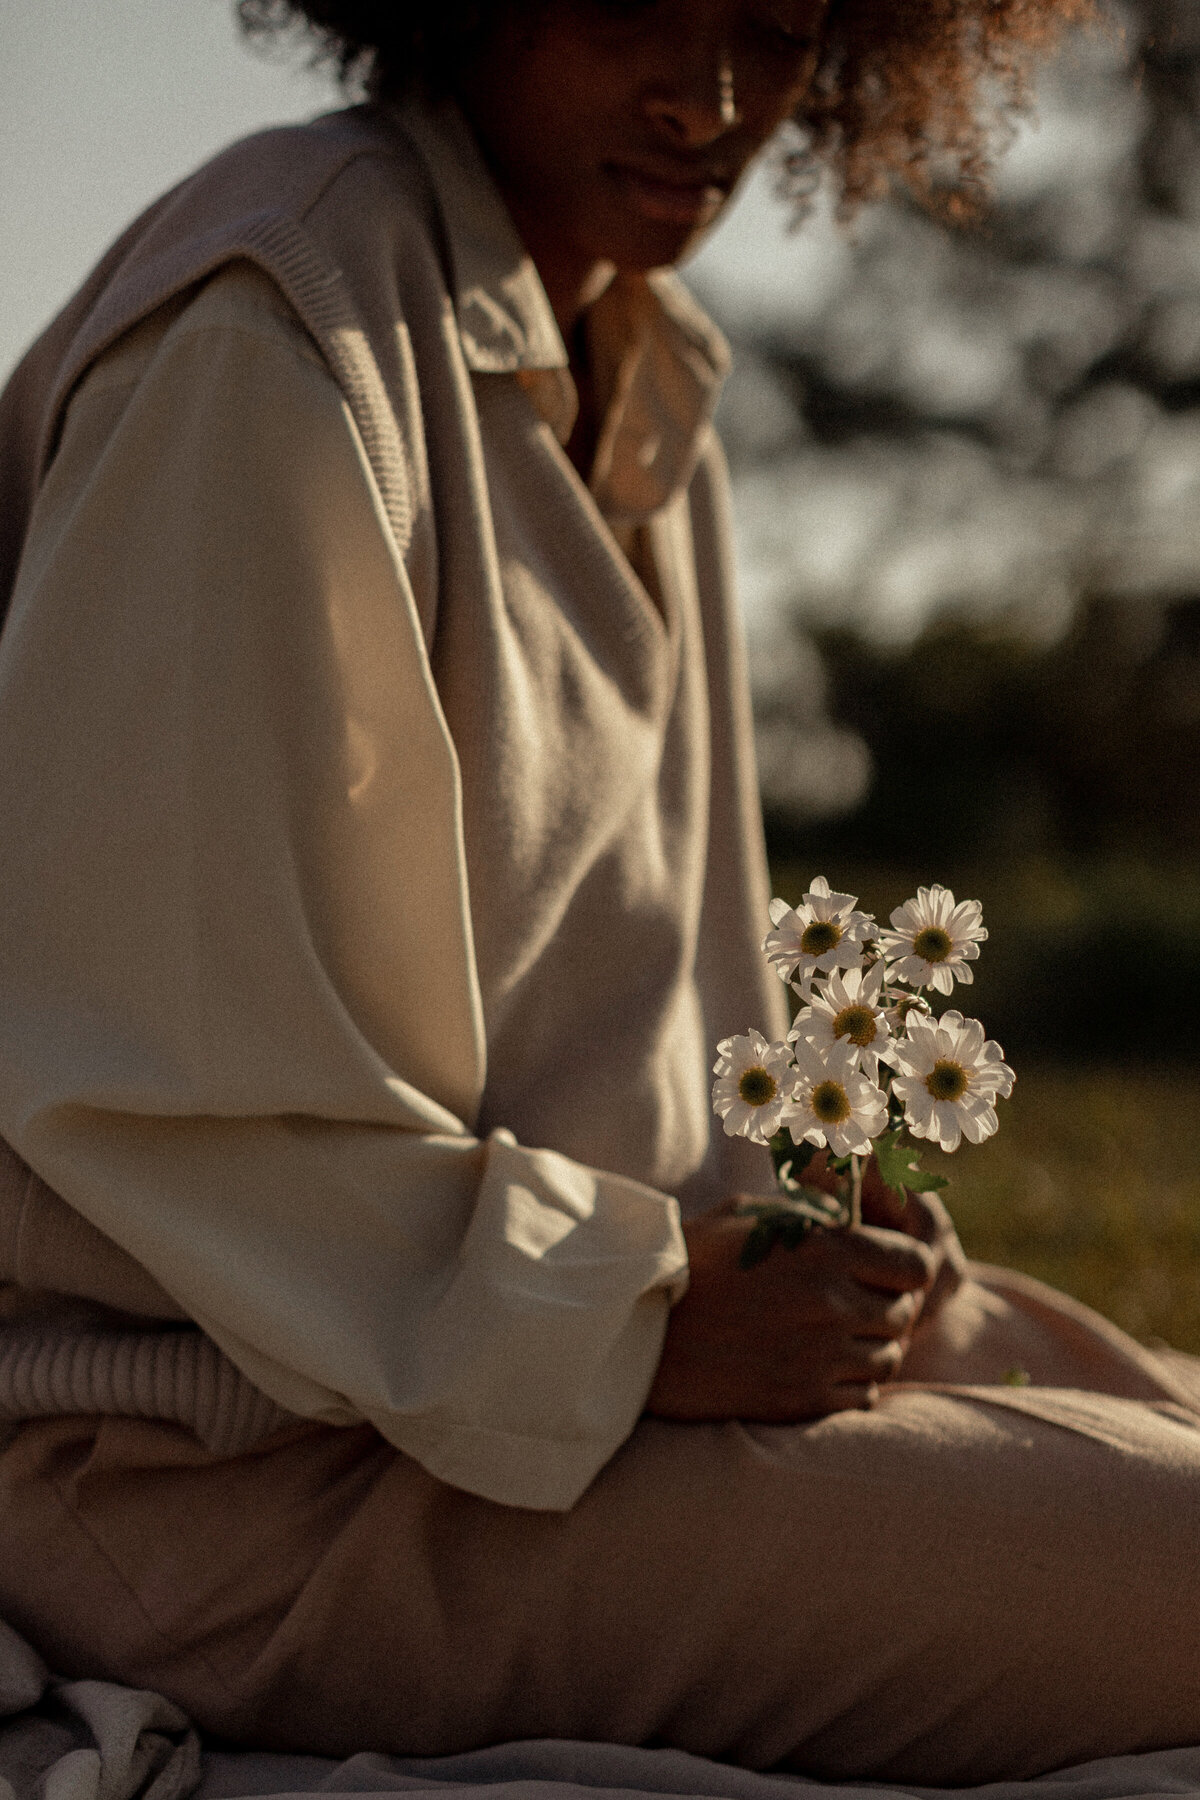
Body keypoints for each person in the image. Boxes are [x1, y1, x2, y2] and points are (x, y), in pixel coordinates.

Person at [0, 0, 1199, 1785]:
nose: (710, 99)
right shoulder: (276, 334)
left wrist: (794, 1207)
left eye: (782, 30)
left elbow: (610, 994)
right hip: (224, 1491)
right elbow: (156, 1094)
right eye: (635, 1)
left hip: (528, 1387)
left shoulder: (650, 372)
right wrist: (638, 1311)